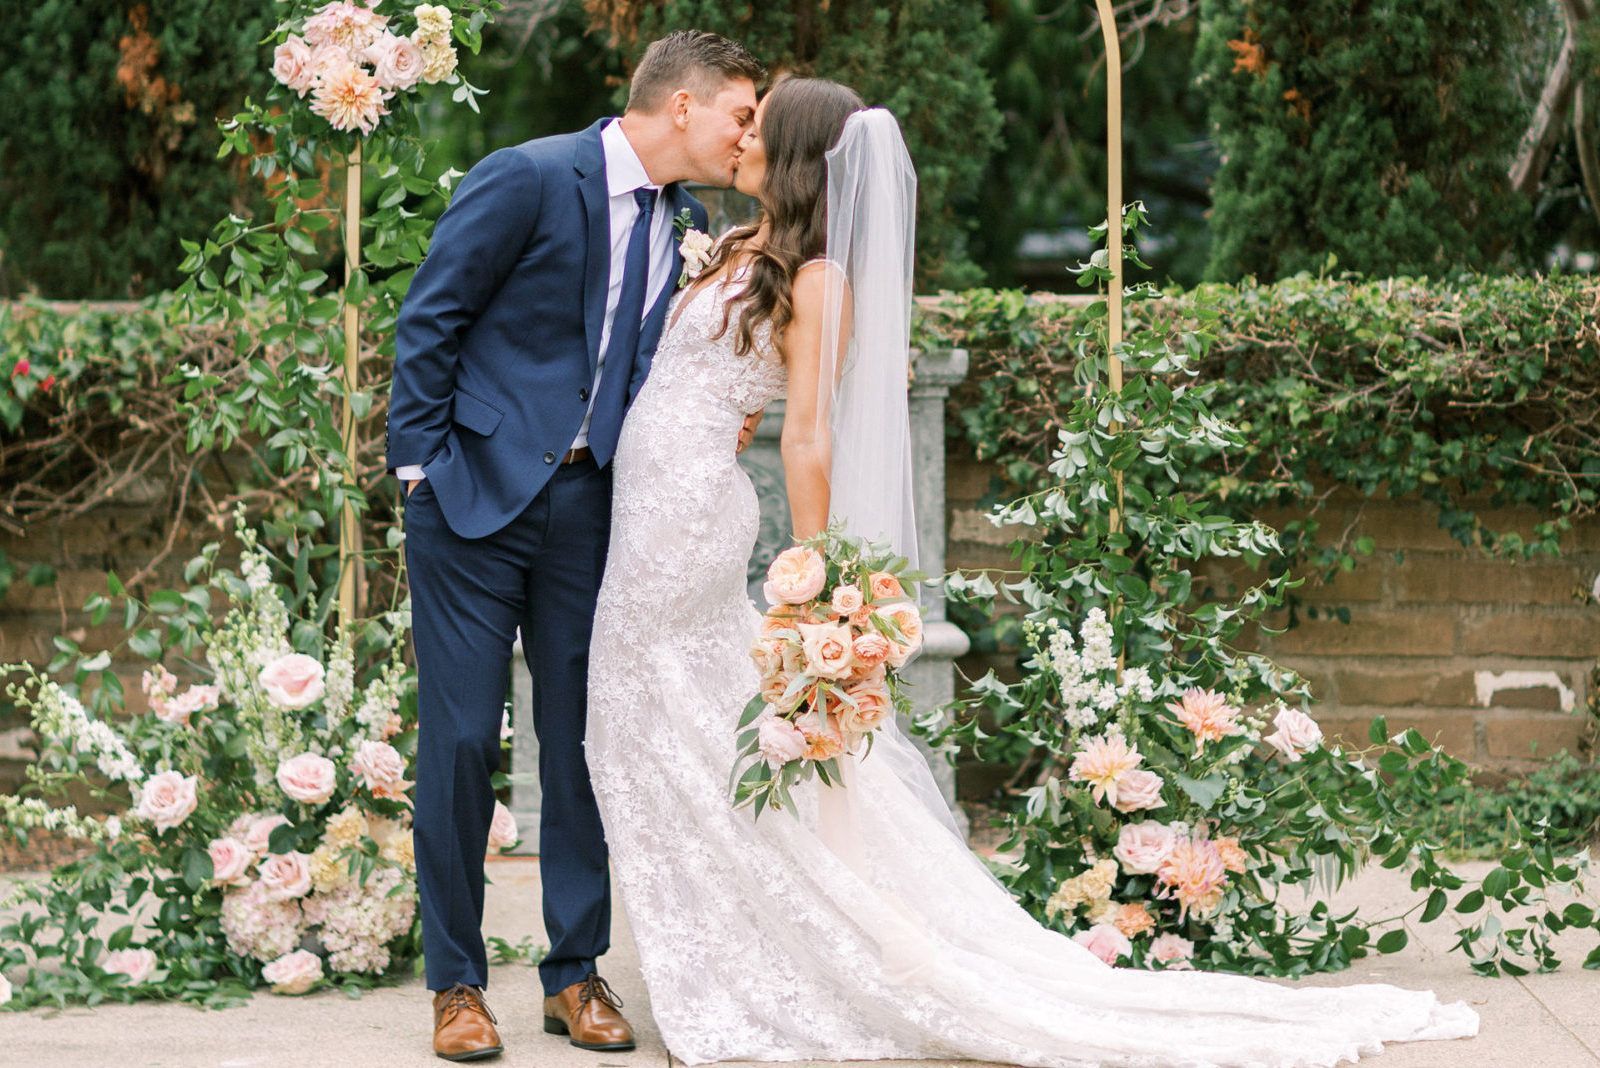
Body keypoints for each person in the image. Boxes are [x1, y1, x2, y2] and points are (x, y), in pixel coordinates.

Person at [583, 75, 1482, 1067]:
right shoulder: (741, 250)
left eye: (760, 125)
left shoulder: (820, 277)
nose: (741, 136)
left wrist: (814, 579)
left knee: (659, 724)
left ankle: (770, 957)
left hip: (688, 523)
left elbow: (807, 434)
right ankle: (730, 943)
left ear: (795, 155)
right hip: (648, 505)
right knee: (654, 729)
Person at [386, 29, 766, 1062]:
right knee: (462, 743)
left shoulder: (689, 221)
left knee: (585, 745)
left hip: (596, 514)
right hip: (469, 501)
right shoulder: (528, 176)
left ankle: (574, 974)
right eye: (739, 112)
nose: (748, 134)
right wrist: (419, 470)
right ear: (680, 106)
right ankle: (457, 986)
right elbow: (431, 321)